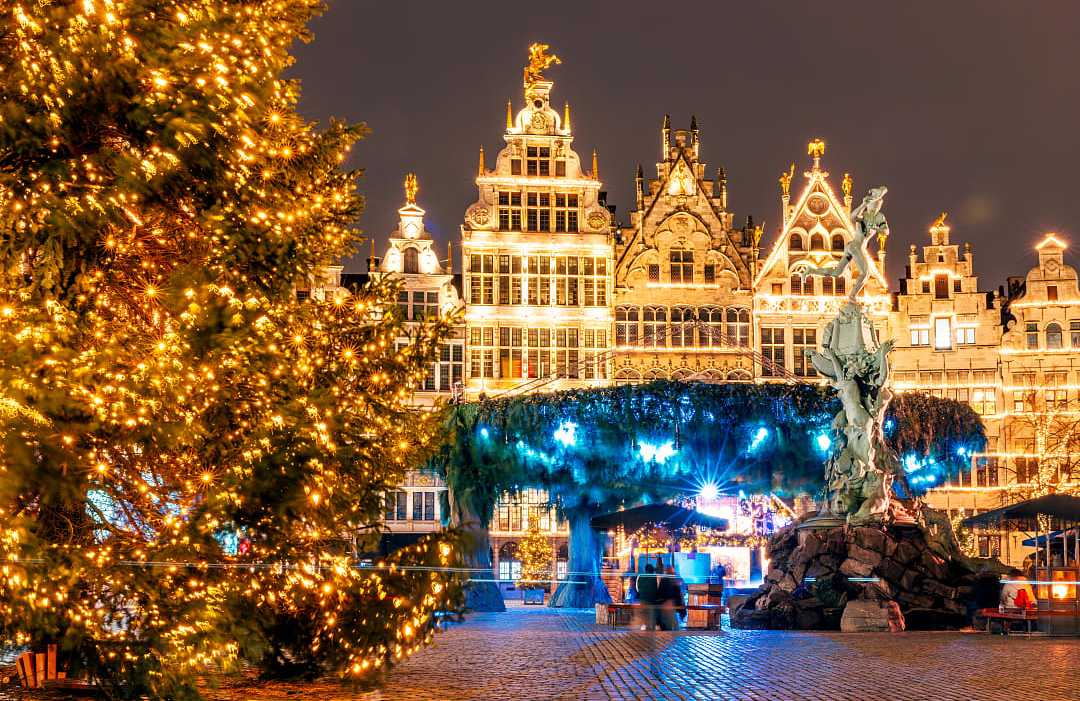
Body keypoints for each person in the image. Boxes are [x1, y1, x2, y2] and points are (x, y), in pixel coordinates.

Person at [657, 564, 685, 631]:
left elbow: (660, 592)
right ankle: (674, 637)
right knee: (673, 624)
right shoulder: (675, 580)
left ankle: (669, 635)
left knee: (668, 623)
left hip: (666, 604)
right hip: (671, 604)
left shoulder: (664, 580)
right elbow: (678, 593)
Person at [635, 563, 661, 630]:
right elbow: (658, 588)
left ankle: (645, 626)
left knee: (644, 614)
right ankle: (651, 627)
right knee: (651, 614)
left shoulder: (640, 576)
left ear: (645, 569)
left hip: (643, 599)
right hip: (652, 599)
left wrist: (641, 593)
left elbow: (637, 588)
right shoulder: (655, 577)